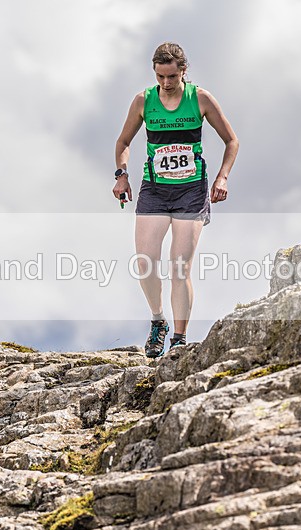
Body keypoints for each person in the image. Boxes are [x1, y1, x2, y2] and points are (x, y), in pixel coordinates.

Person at [113, 42, 239, 357]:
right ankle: (158, 321)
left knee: (180, 268)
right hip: (155, 190)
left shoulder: (201, 99)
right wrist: (121, 174)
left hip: (191, 191)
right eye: (160, 77)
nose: (166, 83)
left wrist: (222, 177)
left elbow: (231, 141)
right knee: (145, 263)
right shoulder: (145, 101)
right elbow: (123, 141)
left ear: (183, 71)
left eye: (172, 76)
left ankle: (179, 340)